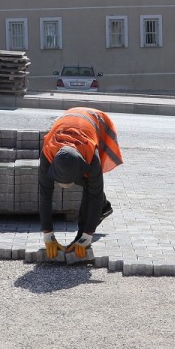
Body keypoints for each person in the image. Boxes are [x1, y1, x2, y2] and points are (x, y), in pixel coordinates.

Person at [39, 107, 123, 259]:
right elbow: (45, 193)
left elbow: (95, 195)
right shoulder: (47, 152)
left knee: (91, 186)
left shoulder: (91, 155)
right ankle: (104, 208)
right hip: (71, 118)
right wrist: (48, 234)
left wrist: (86, 236)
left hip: (96, 120)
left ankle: (86, 228)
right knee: (89, 185)